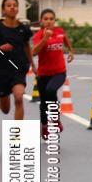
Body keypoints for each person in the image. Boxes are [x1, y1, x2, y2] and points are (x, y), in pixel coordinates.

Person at [0, 0, 33, 119]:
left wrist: (34, 66)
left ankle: (18, 131)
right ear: (3, 10)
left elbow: (27, 47)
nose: (12, 7)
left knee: (19, 98)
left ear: (18, 9)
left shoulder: (23, 29)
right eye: (9, 5)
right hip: (0, 71)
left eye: (15, 5)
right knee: (5, 110)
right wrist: (1, 48)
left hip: (18, 69)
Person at [32, 8, 73, 139]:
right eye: (46, 19)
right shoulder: (38, 35)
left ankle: (55, 119)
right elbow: (34, 52)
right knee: (44, 103)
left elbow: (65, 39)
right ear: (41, 21)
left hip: (59, 72)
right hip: (43, 74)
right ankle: (44, 126)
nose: (49, 21)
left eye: (51, 19)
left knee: (51, 90)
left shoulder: (59, 31)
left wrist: (71, 51)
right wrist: (45, 39)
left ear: (54, 20)